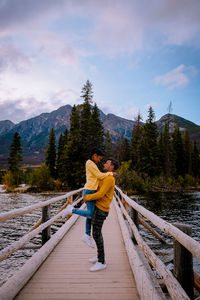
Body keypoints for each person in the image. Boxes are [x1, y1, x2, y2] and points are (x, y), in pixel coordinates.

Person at [65, 148, 114, 248]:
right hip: (89, 191)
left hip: (91, 190)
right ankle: (71, 209)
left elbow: (98, 177)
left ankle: (87, 235)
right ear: (94, 155)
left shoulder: (93, 164)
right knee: (90, 213)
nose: (100, 160)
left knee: (90, 214)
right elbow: (99, 176)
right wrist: (111, 173)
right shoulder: (89, 163)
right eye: (99, 158)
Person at [84, 158, 118, 272]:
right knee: (96, 233)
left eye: (107, 163)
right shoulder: (107, 175)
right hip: (98, 208)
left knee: (96, 234)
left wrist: (87, 197)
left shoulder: (109, 179)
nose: (104, 164)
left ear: (112, 166)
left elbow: (101, 194)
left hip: (102, 209)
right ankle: (99, 256)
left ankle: (102, 261)